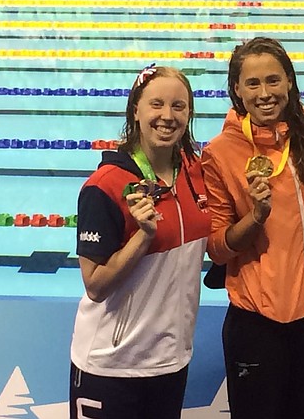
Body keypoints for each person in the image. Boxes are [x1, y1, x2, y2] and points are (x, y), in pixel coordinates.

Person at [201, 37, 304, 419]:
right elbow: (217, 246)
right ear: (237, 91)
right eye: (253, 83)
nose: (265, 93)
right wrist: (255, 217)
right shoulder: (220, 152)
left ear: (290, 82)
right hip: (256, 324)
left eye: (273, 80)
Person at [69, 65, 211, 419]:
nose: (167, 116)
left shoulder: (196, 173)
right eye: (156, 104)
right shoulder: (104, 186)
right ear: (136, 110)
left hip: (170, 362)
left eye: (178, 106)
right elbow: (95, 286)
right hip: (111, 366)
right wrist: (144, 236)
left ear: (189, 112)